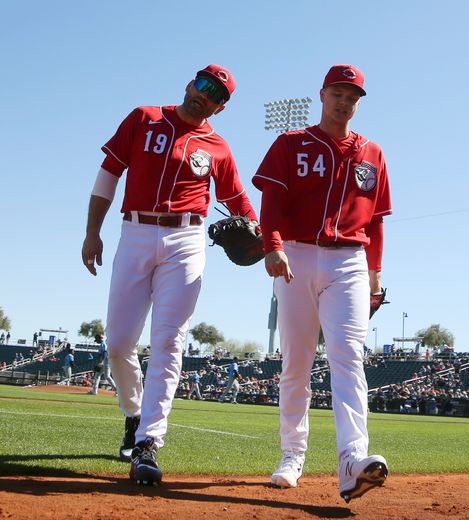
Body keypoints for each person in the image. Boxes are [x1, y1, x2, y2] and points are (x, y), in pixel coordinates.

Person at [81, 64, 257, 486]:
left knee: (168, 340)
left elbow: (238, 201)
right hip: (136, 231)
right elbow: (109, 173)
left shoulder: (217, 146)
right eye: (202, 85)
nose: (205, 95)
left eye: (215, 94)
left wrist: (268, 242)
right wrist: (92, 232)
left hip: (187, 240)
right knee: (119, 341)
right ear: (189, 83)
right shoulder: (145, 118)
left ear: (221, 106)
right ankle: (133, 414)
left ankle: (148, 443)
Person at [252, 64, 391, 502]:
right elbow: (271, 200)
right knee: (296, 363)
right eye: (338, 92)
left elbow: (378, 223)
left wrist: (375, 277)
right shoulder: (291, 144)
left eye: (353, 95)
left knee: (348, 357)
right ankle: (292, 455)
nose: (345, 101)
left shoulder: (372, 153)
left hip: (349, 260)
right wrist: (271, 244)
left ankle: (353, 460)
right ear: (322, 94)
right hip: (296, 253)